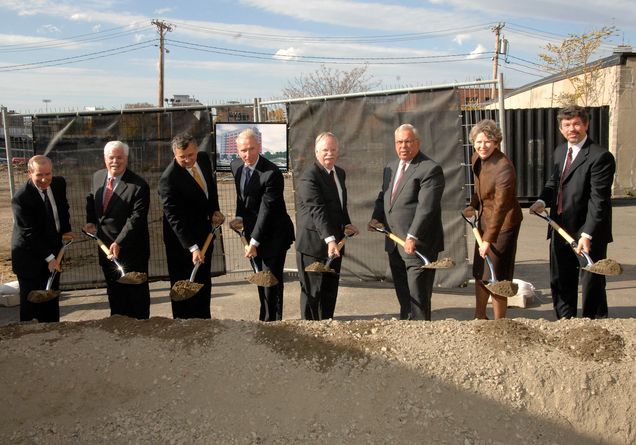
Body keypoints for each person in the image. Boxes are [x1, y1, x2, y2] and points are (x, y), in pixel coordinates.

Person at [529, 105, 615, 319]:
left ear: (586, 125)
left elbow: (599, 200)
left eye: (577, 124)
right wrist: (542, 200)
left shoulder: (600, 156)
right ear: (561, 128)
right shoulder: (560, 151)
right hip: (560, 227)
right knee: (561, 277)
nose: (572, 129)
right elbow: (554, 182)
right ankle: (565, 321)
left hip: (587, 229)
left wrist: (587, 234)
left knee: (591, 279)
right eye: (567, 125)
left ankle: (594, 325)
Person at [368, 123, 445, 320]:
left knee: (418, 296)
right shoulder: (391, 167)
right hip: (394, 243)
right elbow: (383, 196)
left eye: (408, 141)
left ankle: (421, 334)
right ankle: (407, 328)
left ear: (417, 143)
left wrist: (412, 236)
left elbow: (426, 207)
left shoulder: (430, 169)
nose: (403, 146)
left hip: (417, 245)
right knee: (404, 294)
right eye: (399, 142)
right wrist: (377, 217)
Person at [229, 128, 295, 321]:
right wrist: (239, 217)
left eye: (251, 149)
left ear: (259, 147)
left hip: (274, 235)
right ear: (237, 149)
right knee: (260, 278)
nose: (247, 155)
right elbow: (242, 198)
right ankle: (264, 321)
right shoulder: (236, 166)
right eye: (243, 150)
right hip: (252, 234)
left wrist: (254, 242)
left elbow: (267, 210)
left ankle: (274, 325)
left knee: (271, 282)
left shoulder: (272, 173)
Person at [159, 132, 225, 319]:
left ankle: (204, 320)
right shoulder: (168, 179)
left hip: (204, 233)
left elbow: (210, 189)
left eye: (191, 155)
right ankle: (183, 324)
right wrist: (193, 248)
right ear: (175, 154)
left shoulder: (203, 159)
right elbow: (174, 218)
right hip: (181, 241)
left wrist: (214, 211)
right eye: (182, 157)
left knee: (203, 280)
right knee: (183, 283)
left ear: (196, 150)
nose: (188, 160)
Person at [295, 132, 359, 320]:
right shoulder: (309, 177)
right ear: (316, 152)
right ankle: (309, 333)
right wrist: (330, 240)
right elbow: (317, 210)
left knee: (330, 291)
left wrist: (346, 223)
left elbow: (339, 205)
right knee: (312, 293)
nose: (329, 153)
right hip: (313, 246)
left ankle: (327, 325)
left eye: (333, 149)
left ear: (338, 151)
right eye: (325, 150)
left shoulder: (339, 173)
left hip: (336, 245)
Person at [463, 120, 522, 320]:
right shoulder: (476, 159)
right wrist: (472, 205)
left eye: (488, 141)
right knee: (480, 272)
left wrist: (488, 239)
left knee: (497, 274)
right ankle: (480, 316)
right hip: (484, 220)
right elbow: (479, 190)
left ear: (496, 142)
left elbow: (501, 207)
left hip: (504, 224)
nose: (482, 145)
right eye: (478, 141)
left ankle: (500, 322)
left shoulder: (504, 168)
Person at [84, 141, 151, 319]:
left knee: (136, 295)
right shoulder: (97, 177)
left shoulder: (138, 186)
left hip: (132, 250)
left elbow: (136, 219)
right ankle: (118, 325)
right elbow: (91, 200)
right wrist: (91, 221)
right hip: (106, 249)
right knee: (115, 293)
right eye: (111, 157)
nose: (115, 161)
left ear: (126, 159)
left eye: (119, 157)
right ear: (105, 158)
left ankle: (140, 329)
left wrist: (119, 242)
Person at [11, 155, 73, 323]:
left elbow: (63, 207)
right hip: (29, 257)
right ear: (29, 173)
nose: (45, 179)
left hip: (52, 250)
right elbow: (29, 233)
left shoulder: (59, 184)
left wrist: (66, 230)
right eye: (39, 175)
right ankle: (30, 338)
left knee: (51, 299)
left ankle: (53, 334)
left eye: (48, 173)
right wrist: (51, 258)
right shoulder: (21, 198)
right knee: (31, 303)